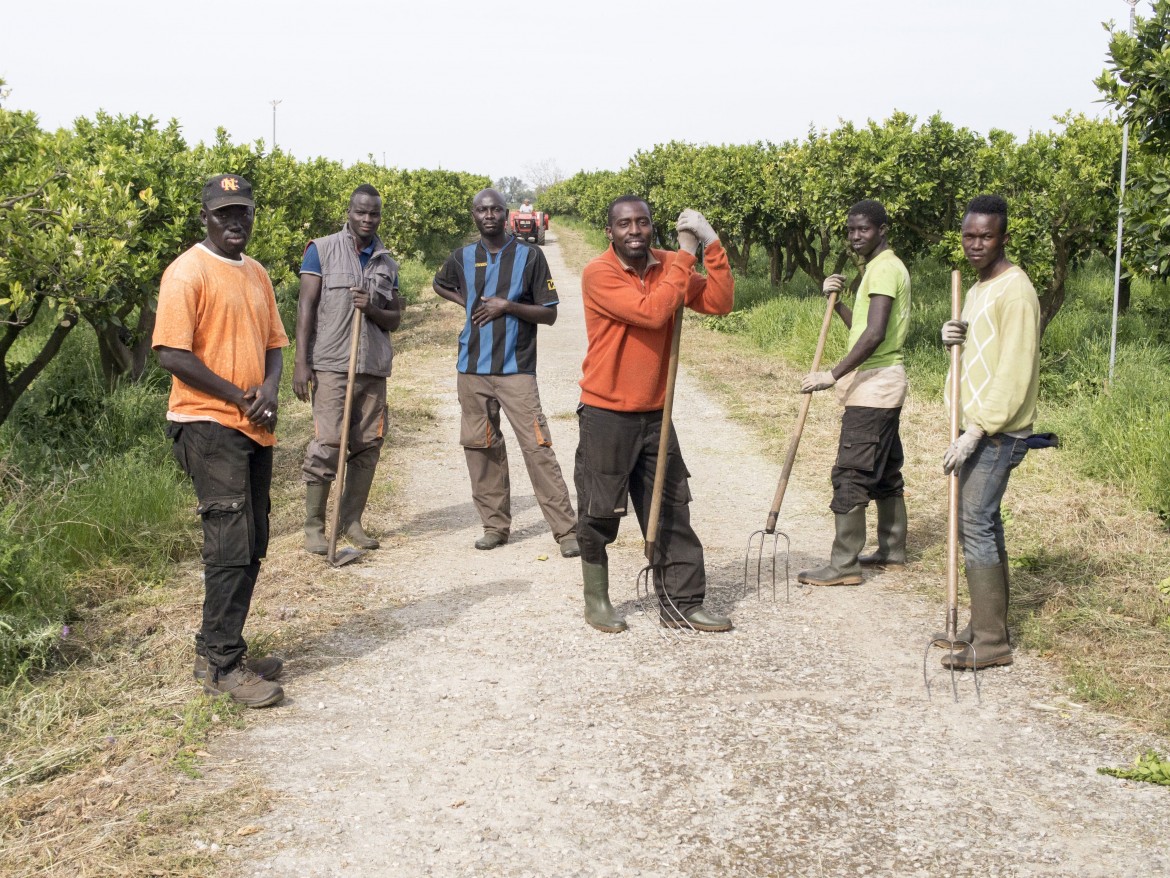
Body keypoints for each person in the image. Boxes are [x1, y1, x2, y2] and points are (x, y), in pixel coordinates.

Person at [153, 174, 288, 708]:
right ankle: (221, 666)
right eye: (224, 213)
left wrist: (270, 388)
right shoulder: (187, 273)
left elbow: (275, 344)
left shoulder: (256, 273)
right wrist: (237, 395)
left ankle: (223, 648)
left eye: (244, 212)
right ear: (204, 218)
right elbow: (172, 353)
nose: (236, 221)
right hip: (208, 425)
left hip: (255, 423)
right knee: (228, 547)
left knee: (252, 543)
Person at [575, 197, 734, 633]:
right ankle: (597, 599)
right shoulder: (599, 273)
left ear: (651, 227)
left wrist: (712, 244)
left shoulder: (669, 265)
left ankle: (682, 602)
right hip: (606, 412)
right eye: (624, 224)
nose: (634, 231)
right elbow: (652, 312)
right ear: (610, 232)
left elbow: (719, 302)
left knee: (670, 509)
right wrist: (685, 255)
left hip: (656, 415)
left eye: (642, 222)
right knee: (599, 511)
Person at [432, 188, 579, 557]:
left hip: (516, 370)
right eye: (482, 210)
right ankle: (495, 526)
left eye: (496, 209)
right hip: (471, 369)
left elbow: (549, 313)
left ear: (508, 214)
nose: (489, 215)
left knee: (537, 446)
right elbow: (440, 283)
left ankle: (566, 531)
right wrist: (466, 302)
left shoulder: (530, 256)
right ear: (474, 215)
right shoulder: (462, 256)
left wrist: (508, 306)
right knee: (481, 448)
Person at [937, 194, 1040, 670]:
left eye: (985, 236)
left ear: (1003, 237)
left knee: (975, 522)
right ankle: (986, 626)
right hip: (977, 424)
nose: (975, 245)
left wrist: (976, 430)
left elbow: (1013, 372)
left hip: (999, 432)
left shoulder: (1015, 290)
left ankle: (992, 643)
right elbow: (980, 357)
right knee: (983, 522)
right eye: (969, 236)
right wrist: (952, 338)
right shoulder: (978, 288)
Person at [797, 200, 911, 587]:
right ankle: (893, 550)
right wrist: (837, 301)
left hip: (875, 386)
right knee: (885, 471)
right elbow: (863, 326)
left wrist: (832, 374)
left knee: (851, 473)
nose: (855, 237)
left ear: (882, 230)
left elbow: (876, 335)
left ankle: (844, 564)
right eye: (850, 230)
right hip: (883, 381)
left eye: (863, 229)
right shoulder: (880, 269)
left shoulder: (883, 270)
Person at [293, 184, 402, 554]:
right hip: (332, 364)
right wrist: (301, 362)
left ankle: (350, 521)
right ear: (349, 212)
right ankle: (314, 527)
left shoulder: (387, 262)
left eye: (374, 214)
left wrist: (372, 307)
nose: (367, 219)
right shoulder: (320, 250)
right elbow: (306, 307)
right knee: (328, 442)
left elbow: (395, 319)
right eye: (360, 212)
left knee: (368, 444)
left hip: (372, 367)